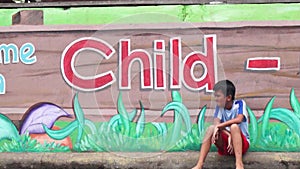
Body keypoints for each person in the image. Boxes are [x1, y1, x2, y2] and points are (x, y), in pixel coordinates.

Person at [192, 80, 250, 169]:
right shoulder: (219, 107)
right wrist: (229, 135)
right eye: (215, 96)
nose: (216, 98)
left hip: (242, 146)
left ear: (229, 97)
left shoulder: (239, 104)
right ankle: (199, 164)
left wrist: (221, 127)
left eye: (218, 96)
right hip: (226, 147)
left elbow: (239, 119)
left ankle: (239, 164)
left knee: (234, 127)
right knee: (211, 128)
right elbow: (216, 124)